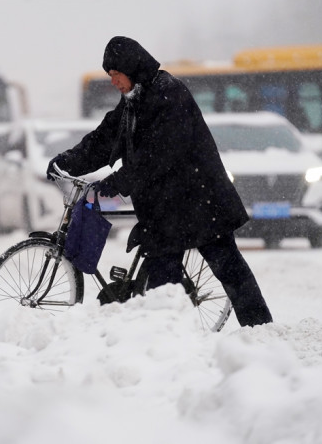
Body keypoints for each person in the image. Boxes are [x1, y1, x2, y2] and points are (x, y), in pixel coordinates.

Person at [47, 36, 272, 327]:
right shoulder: (133, 102)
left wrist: (119, 180)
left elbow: (160, 154)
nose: (113, 82)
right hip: (168, 211)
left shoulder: (169, 94)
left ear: (131, 69)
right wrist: (67, 161)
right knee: (162, 285)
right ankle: (167, 344)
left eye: (116, 75)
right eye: (110, 76)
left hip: (201, 202)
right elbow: (103, 140)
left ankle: (262, 332)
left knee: (228, 269)